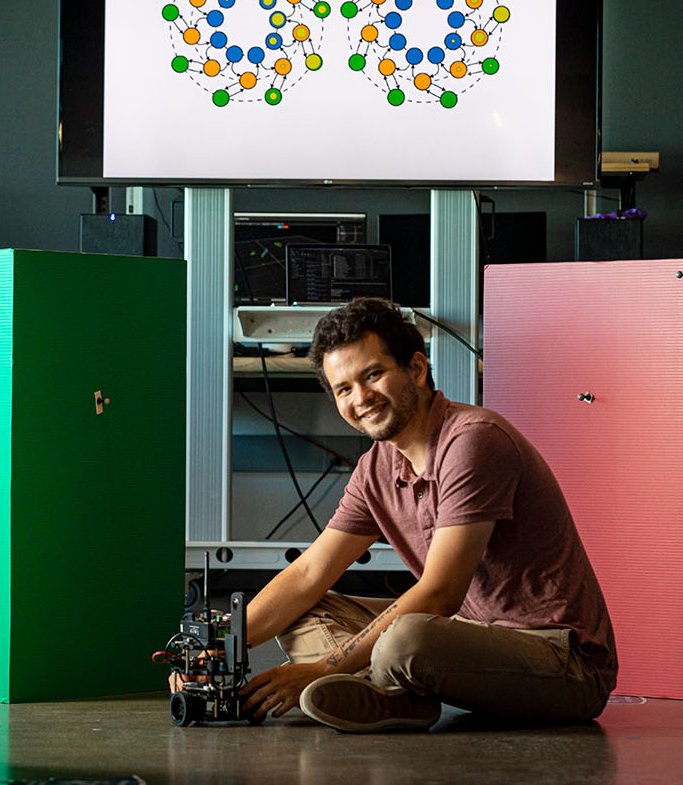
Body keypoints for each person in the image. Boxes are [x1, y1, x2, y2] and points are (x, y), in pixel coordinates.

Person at [236, 297, 617, 732]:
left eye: (373, 375)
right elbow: (308, 574)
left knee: (406, 638)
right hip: (468, 641)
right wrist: (218, 649)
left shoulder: (473, 441)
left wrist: (323, 667)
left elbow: (439, 595)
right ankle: (395, 696)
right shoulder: (376, 467)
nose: (360, 398)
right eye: (344, 389)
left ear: (416, 369)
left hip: (562, 663)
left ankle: (383, 681)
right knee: (302, 609)